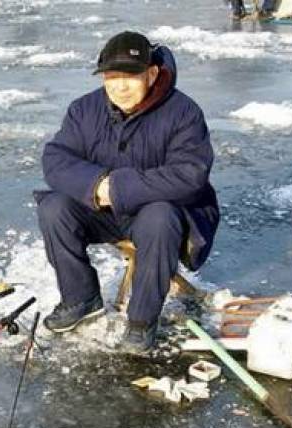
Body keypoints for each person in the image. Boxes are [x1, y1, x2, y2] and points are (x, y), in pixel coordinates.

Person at [35, 31, 220, 354]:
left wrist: (117, 188)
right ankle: (81, 297)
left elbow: (190, 175)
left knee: (159, 217)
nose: (120, 86)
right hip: (103, 212)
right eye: (111, 76)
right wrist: (96, 186)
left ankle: (142, 321)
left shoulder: (183, 112)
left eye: (131, 76)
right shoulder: (84, 109)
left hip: (163, 216)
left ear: (151, 73)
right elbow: (55, 160)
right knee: (54, 208)